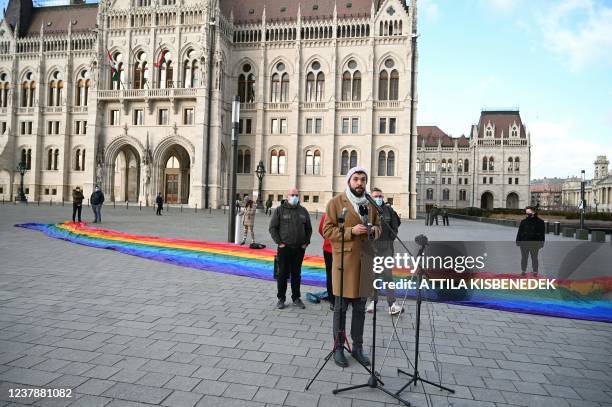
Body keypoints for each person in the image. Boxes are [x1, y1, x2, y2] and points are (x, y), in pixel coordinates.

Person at [323, 166, 381, 368]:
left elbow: (380, 227)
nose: (359, 183)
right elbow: (327, 230)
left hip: (365, 263)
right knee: (340, 309)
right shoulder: (336, 202)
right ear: (349, 181)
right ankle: (339, 347)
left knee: (360, 309)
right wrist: (351, 231)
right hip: (344, 265)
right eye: (356, 179)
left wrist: (374, 230)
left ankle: (357, 347)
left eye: (363, 179)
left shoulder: (371, 204)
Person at [269, 188, 312, 310]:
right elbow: (272, 228)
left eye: (296, 195)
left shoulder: (303, 211)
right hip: (285, 248)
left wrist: (306, 243)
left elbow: (309, 229)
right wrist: (279, 243)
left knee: (296, 274)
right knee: (282, 274)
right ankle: (281, 298)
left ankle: (296, 298)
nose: (295, 197)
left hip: (299, 249)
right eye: (292, 195)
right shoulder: (280, 210)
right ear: (287, 196)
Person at [366, 188, 402, 315]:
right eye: (375, 196)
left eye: (380, 196)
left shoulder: (389, 210)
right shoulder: (367, 210)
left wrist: (389, 241)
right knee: (374, 276)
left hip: (386, 249)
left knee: (388, 276)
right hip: (371, 250)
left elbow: (395, 228)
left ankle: (392, 304)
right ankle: (372, 302)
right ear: (370, 198)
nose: (378, 198)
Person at [516, 206, 545, 276]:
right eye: (526, 212)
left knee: (534, 258)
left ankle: (535, 272)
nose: (527, 214)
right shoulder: (523, 221)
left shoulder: (540, 222)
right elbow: (519, 232)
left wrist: (541, 243)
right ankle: (523, 271)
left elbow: (542, 234)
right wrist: (518, 241)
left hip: (534, 243)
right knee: (524, 258)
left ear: (533, 212)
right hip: (524, 243)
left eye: (528, 212)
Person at [318, 212, 334, 310]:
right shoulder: (327, 214)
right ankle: (332, 299)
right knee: (331, 275)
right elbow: (321, 229)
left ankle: (341, 298)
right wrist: (328, 239)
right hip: (329, 249)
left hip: (345, 251)